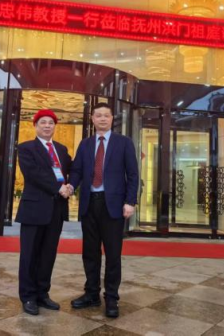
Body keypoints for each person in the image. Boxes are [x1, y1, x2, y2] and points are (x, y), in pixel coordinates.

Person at [68, 102, 139, 318]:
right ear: (92, 118)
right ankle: (91, 293)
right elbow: (77, 170)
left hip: (114, 205)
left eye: (106, 115)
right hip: (89, 203)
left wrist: (130, 201)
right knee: (90, 252)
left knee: (113, 254)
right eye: (98, 115)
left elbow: (133, 174)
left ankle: (111, 298)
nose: (102, 119)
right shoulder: (85, 144)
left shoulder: (124, 143)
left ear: (111, 118)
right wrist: (70, 186)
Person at [16, 109, 72, 315]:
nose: (47, 126)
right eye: (43, 122)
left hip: (56, 209)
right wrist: (58, 187)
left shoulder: (62, 149)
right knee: (29, 254)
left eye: (51, 123)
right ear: (35, 126)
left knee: (48, 253)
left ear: (55, 126)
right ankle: (28, 296)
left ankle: (42, 293)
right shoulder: (26, 148)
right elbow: (33, 174)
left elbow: (72, 169)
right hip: (34, 208)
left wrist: (71, 186)